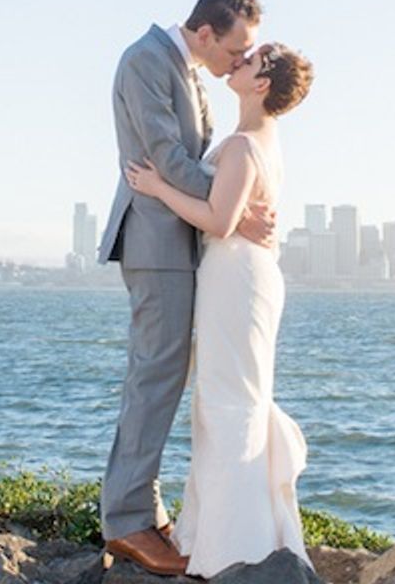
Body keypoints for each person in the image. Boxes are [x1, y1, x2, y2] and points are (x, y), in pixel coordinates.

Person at [97, 0, 277, 577]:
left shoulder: (187, 68)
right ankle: (126, 521)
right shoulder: (145, 60)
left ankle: (141, 506)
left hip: (182, 242)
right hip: (155, 242)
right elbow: (168, 158)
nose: (238, 59)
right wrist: (234, 204)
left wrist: (231, 205)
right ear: (205, 33)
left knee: (166, 376)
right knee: (156, 375)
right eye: (236, 47)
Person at [125, 41, 315, 578]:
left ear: (261, 84)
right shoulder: (261, 140)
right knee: (236, 400)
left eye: (251, 60)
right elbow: (235, 214)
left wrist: (159, 186)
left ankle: (233, 544)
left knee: (228, 404)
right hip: (247, 278)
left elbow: (218, 220)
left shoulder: (241, 145)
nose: (240, 61)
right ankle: (237, 531)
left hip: (235, 280)